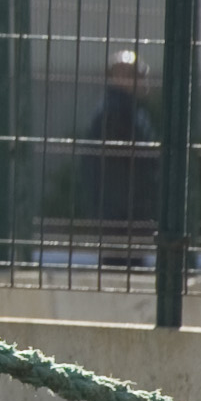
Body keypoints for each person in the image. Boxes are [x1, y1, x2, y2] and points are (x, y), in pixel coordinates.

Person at [81, 47, 158, 257]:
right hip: (121, 213)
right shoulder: (116, 113)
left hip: (124, 211)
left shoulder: (129, 110)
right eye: (137, 76)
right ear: (119, 77)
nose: (143, 81)